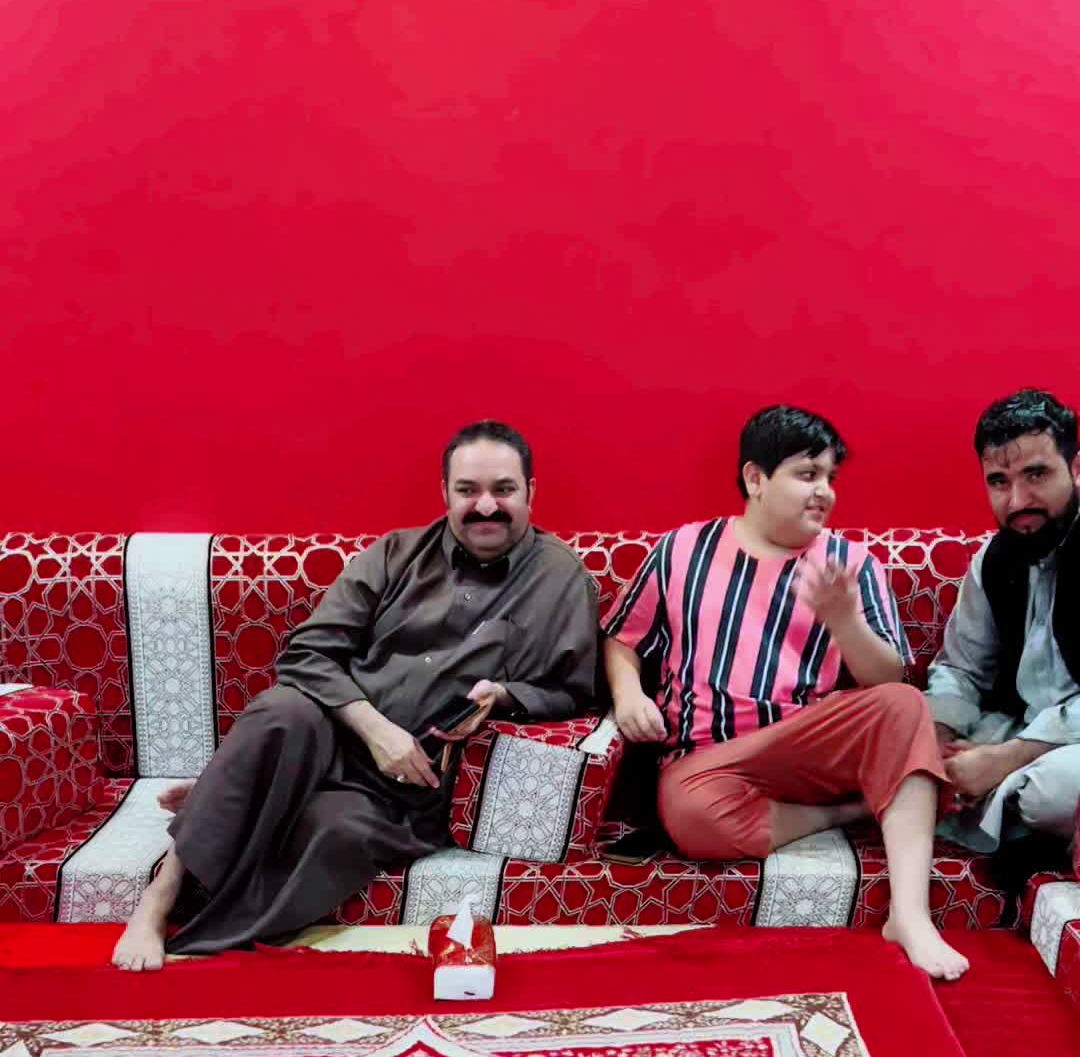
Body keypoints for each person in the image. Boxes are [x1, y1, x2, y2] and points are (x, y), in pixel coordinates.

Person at [113, 420, 599, 970]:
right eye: (468, 490)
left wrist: (505, 696)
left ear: (530, 491)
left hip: (408, 784)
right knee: (281, 713)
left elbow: (573, 691)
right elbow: (306, 653)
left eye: (503, 489)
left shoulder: (562, 578)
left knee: (335, 833)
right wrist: (375, 728)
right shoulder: (395, 553)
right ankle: (158, 899)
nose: (486, 505)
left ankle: (241, 793)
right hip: (333, 731)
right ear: (445, 493)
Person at [603, 404, 968, 980]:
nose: (824, 492)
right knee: (689, 815)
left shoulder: (850, 564)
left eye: (831, 478)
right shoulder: (681, 550)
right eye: (807, 474)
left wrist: (845, 621)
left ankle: (911, 917)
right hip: (707, 762)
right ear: (755, 478)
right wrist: (628, 695)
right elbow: (623, 638)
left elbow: (888, 681)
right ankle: (854, 809)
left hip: (806, 745)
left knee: (904, 705)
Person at [926, 389, 1080, 894]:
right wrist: (937, 740)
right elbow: (961, 668)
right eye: (999, 481)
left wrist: (1007, 758)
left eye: (1036, 475)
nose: (1017, 502)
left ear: (1076, 468)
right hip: (1023, 730)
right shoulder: (995, 560)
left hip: (1057, 748)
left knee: (1049, 792)